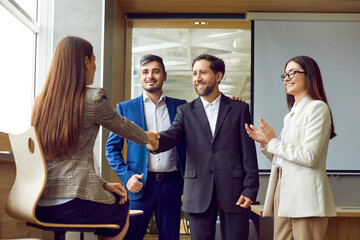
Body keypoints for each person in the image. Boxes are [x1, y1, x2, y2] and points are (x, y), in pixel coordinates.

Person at [31, 36, 158, 240]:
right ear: (86, 61)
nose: (96, 66)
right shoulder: (93, 98)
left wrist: (103, 184)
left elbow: (64, 161)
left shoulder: (40, 102)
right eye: (95, 59)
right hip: (71, 203)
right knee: (123, 205)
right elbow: (123, 126)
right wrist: (148, 137)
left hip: (36, 203)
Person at [148, 54, 259, 240]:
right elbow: (172, 135)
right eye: (194, 73)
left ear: (218, 76)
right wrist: (155, 141)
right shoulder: (185, 111)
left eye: (203, 73)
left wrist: (250, 188)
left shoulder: (239, 109)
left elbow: (248, 153)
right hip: (198, 191)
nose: (197, 78)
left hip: (235, 192)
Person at [245, 55, 336, 240]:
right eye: (285, 74)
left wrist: (273, 142)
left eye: (293, 73)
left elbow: (309, 156)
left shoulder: (318, 108)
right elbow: (285, 160)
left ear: (309, 75)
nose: (286, 78)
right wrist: (266, 143)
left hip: (305, 196)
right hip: (283, 190)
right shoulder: (290, 116)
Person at [105, 54, 186, 240]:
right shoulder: (125, 108)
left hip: (172, 185)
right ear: (140, 77)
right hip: (139, 186)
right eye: (145, 72)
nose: (150, 76)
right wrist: (127, 177)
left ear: (164, 75)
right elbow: (111, 149)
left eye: (156, 71)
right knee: (131, 236)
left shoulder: (181, 107)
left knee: (170, 238)